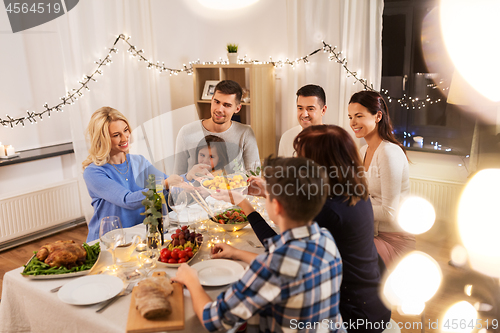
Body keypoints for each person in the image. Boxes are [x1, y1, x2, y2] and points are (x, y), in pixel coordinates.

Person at [245, 125, 391, 332]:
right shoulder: (353, 190)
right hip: (374, 298)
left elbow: (278, 249)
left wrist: (247, 207)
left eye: (300, 157)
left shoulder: (328, 211)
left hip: (353, 314)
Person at [172, 157, 343, 333]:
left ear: (276, 206)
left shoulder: (270, 268)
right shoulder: (325, 238)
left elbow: (214, 320)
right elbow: (287, 259)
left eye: (267, 196)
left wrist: (191, 281)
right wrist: (238, 252)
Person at [82, 107, 182, 242]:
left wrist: (191, 176)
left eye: (126, 130)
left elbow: (169, 185)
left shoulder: (138, 161)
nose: (125, 138)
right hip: (108, 241)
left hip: (138, 235)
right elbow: (127, 200)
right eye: (116, 135)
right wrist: (164, 184)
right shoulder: (93, 172)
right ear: (103, 139)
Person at [348, 90, 414, 268]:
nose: (353, 122)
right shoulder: (363, 151)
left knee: (344, 259)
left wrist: (351, 206)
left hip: (392, 238)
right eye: (350, 116)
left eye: (359, 116)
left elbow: (390, 212)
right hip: (370, 231)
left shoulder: (388, 152)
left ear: (377, 116)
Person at [173, 80, 260, 175]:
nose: (219, 109)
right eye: (217, 102)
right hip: (192, 189)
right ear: (211, 100)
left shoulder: (245, 133)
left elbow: (254, 175)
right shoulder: (186, 132)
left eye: (227, 105)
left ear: (237, 108)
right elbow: (177, 176)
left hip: (232, 189)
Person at [278, 84, 327, 157]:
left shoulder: (333, 140)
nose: (304, 115)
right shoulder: (287, 137)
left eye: (310, 109)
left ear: (323, 110)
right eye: (300, 108)